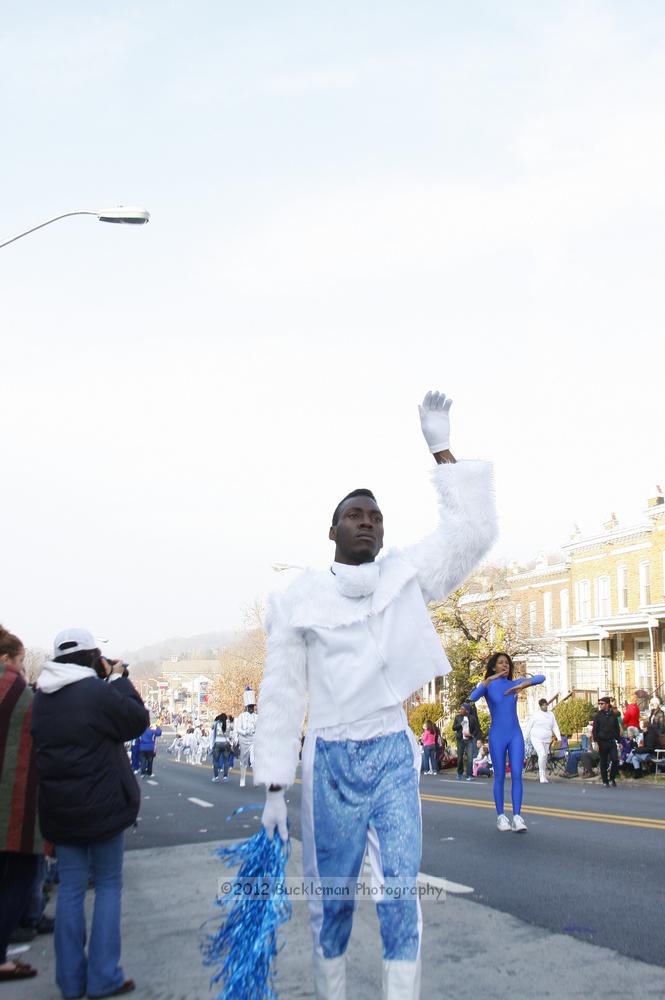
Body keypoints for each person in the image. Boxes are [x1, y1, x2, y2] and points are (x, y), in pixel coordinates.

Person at [254, 389, 496, 999]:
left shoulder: (404, 577)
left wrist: (442, 449)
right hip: (331, 758)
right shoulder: (299, 600)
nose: (367, 520)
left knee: (398, 893)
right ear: (331, 529)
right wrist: (274, 790)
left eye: (376, 514)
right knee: (331, 899)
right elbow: (281, 693)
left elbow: (471, 533)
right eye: (355, 514)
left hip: (390, 751)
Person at [32, 627, 149, 1000]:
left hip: (59, 810)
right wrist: (117, 678)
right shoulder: (96, 693)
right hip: (103, 808)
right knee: (109, 886)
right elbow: (135, 721)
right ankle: (103, 977)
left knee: (69, 890)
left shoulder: (41, 697)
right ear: (91, 658)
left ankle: (70, 982)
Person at [0, 625, 43, 983]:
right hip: (14, 802)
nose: (22, 668)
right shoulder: (13, 688)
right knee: (21, 876)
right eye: (20, 661)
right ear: (6, 659)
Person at [469, 652, 545, 832]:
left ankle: (517, 817)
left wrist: (523, 685)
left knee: (517, 774)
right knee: (500, 776)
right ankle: (501, 817)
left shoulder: (514, 684)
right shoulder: (489, 686)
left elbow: (541, 678)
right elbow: (473, 696)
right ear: (494, 666)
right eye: (501, 663)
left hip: (515, 734)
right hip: (497, 735)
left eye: (507, 663)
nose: (505, 666)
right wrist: (491, 678)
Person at [524, 698, 561, 783]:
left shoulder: (551, 714)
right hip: (536, 738)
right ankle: (541, 776)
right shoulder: (536, 715)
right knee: (542, 754)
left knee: (544, 757)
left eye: (546, 705)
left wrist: (559, 738)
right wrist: (525, 739)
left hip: (547, 739)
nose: (545, 706)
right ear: (540, 706)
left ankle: (543, 775)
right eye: (543, 705)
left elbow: (554, 726)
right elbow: (529, 726)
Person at [592, 696, 621, 787]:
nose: (600, 705)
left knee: (615, 760)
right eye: (599, 704)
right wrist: (596, 742)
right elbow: (595, 730)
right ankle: (605, 780)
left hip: (611, 741)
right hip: (602, 741)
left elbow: (616, 729)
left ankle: (612, 778)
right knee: (603, 762)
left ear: (607, 704)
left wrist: (619, 741)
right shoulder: (598, 716)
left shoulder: (613, 715)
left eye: (602, 703)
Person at [452, 702, 481, 781]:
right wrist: (460, 724)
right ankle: (459, 773)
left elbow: (476, 728)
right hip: (460, 740)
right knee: (460, 757)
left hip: (469, 740)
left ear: (467, 711)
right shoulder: (458, 717)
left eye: (462, 709)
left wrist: (472, 735)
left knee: (470, 758)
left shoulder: (472, 718)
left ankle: (469, 775)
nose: (460, 710)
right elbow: (453, 728)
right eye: (460, 709)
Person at [235, 688, 257, 788]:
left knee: (255, 759)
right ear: (247, 707)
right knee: (243, 761)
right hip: (244, 740)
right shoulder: (241, 716)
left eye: (253, 706)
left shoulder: (257, 717)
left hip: (254, 740)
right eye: (250, 706)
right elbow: (238, 729)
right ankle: (242, 779)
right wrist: (245, 732)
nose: (252, 708)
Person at [209, 713, 233, 781]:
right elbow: (233, 728)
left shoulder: (216, 723)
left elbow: (212, 727)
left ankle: (216, 777)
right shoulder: (228, 724)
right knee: (226, 761)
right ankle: (225, 777)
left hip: (217, 743)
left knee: (216, 761)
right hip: (226, 744)